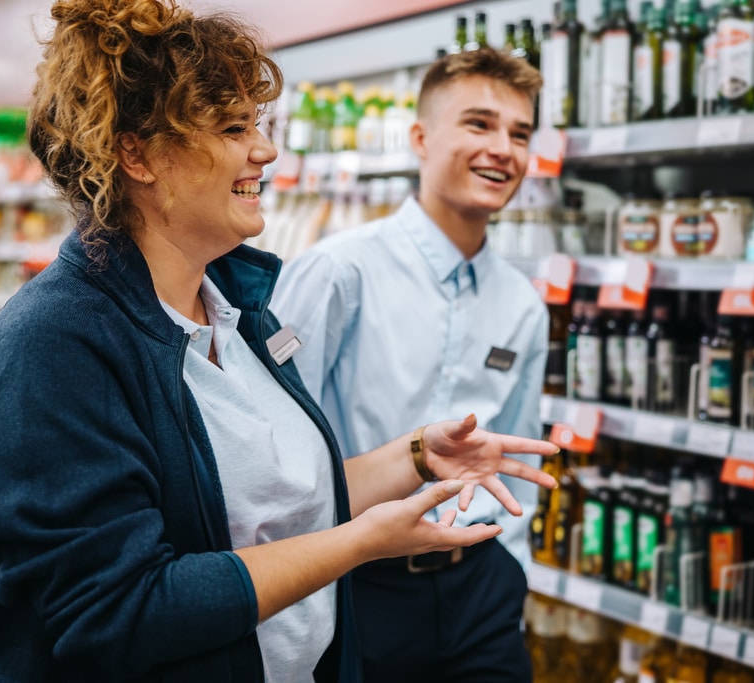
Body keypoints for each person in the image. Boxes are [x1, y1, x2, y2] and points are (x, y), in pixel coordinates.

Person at [0, 1, 559, 682]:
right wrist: (358, 544)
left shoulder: (240, 316)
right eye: (236, 129)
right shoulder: (53, 346)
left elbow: (278, 502)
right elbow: (113, 611)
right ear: (138, 153)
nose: (264, 151)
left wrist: (417, 455)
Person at [271, 47, 549, 682]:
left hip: (482, 590)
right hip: (360, 584)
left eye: (520, 133)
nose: (502, 148)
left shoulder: (523, 306)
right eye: (479, 124)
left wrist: (512, 568)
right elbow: (273, 452)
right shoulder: (339, 272)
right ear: (420, 138)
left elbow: (519, 455)